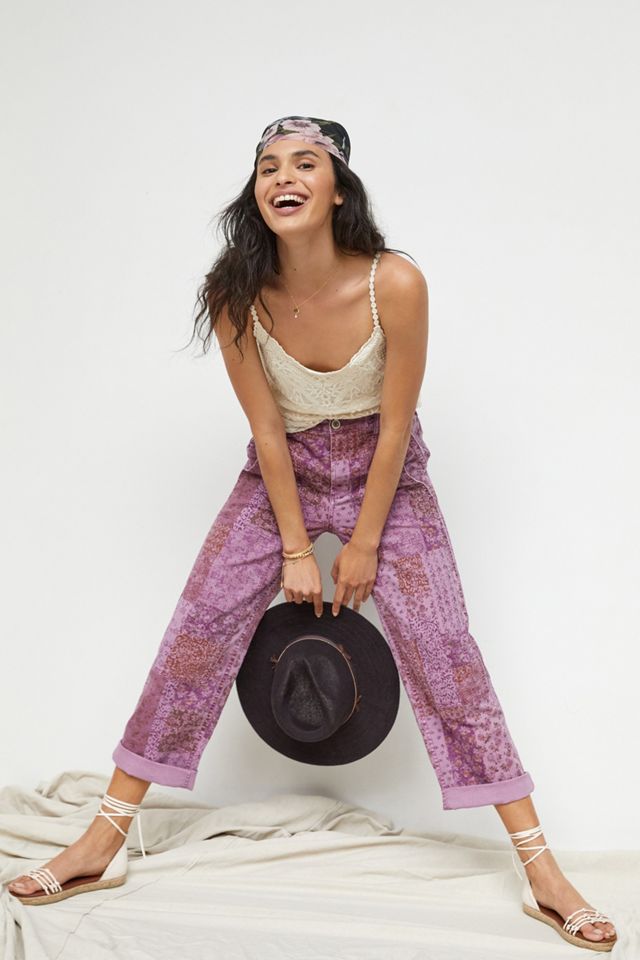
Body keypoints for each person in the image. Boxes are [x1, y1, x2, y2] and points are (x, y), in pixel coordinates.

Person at [5, 115, 617, 950]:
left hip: (386, 474)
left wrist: (361, 543)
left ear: (336, 190)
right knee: (196, 634)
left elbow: (395, 429)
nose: (283, 177)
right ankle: (103, 841)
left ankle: (542, 871)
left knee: (446, 653)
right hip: (280, 472)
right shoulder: (233, 292)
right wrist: (297, 547)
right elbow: (266, 429)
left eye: (303, 164)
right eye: (268, 167)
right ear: (256, 191)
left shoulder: (395, 282)